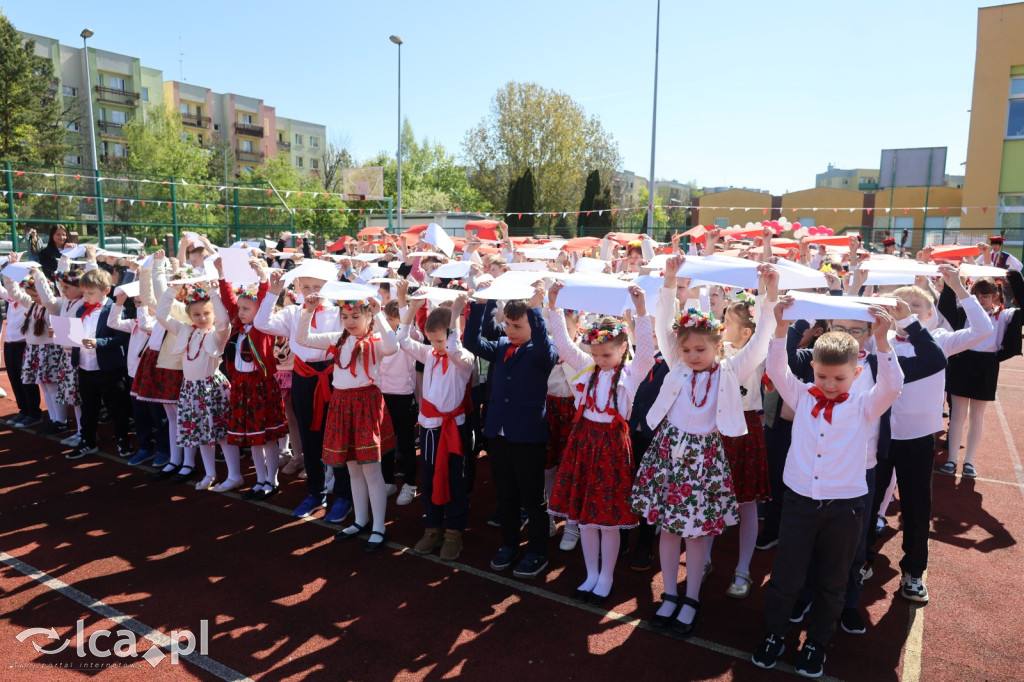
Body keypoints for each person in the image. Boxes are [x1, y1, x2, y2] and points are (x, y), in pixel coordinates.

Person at [752, 302, 903, 678]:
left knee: (834, 581)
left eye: (839, 378)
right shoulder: (801, 394)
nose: (830, 386)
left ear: (856, 372)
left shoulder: (865, 405)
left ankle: (817, 642)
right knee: (786, 576)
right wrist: (780, 327)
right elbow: (775, 368)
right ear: (813, 371)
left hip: (845, 507)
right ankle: (774, 634)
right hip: (800, 502)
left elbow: (893, 384)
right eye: (822, 377)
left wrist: (884, 342)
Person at [631, 256, 779, 638]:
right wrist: (668, 280)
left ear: (716, 345)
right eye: (687, 350)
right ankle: (668, 594)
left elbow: (761, 340)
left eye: (701, 349)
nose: (693, 356)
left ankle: (691, 596)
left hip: (704, 461)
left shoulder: (730, 370)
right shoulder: (677, 364)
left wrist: (769, 297)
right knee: (667, 529)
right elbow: (664, 325)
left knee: (696, 534)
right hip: (669, 454)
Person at [871, 270, 993, 605]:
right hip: (878, 436)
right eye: (901, 305)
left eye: (914, 307)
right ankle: (863, 559)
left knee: (916, 506)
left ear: (928, 314)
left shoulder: (938, 340)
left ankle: (913, 571)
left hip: (919, 439)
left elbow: (985, 330)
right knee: (869, 502)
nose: (906, 311)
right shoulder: (878, 340)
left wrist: (957, 287)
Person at [547, 282, 653, 604]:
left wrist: (642, 312)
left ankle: (606, 576)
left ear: (622, 349)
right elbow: (564, 347)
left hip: (611, 448)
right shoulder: (588, 368)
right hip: (585, 443)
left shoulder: (630, 373)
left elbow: (647, 353)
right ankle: (591, 573)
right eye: (595, 354)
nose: (599, 359)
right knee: (585, 516)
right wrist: (552, 306)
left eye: (606, 354)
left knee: (607, 520)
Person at [464, 284, 559, 579]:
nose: (510, 330)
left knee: (533, 500)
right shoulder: (503, 346)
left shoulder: (544, 351)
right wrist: (481, 304)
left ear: (532, 323)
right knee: (505, 496)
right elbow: (471, 341)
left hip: (528, 438)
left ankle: (537, 552)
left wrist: (536, 309)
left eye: (517, 325)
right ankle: (509, 545)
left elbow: (544, 346)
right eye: (507, 324)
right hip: (499, 435)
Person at [295, 293, 398, 552]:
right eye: (345, 317)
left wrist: (380, 315)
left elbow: (393, 346)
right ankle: (361, 520)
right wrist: (308, 311)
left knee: (371, 470)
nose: (350, 321)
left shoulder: (375, 340)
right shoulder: (338, 339)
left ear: (367, 316)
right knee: (352, 467)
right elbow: (302, 339)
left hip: (365, 404)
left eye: (355, 316)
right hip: (341, 403)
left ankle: (379, 527)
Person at [256, 268, 354, 522]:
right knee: (310, 437)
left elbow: (342, 339)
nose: (312, 293)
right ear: (298, 286)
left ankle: (343, 496)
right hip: (303, 377)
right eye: (307, 287)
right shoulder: (292, 312)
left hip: (334, 377)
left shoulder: (338, 312)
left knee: (338, 436)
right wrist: (273, 292)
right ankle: (316, 492)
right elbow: (261, 324)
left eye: (318, 287)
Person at [401, 296, 475, 561]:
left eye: (441, 341)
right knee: (430, 480)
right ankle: (432, 527)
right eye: (432, 341)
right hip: (430, 429)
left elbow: (455, 350)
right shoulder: (430, 354)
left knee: (456, 481)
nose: (436, 347)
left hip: (453, 429)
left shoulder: (463, 357)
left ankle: (454, 531)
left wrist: (455, 314)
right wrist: (408, 308)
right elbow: (403, 341)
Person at [939, 271, 1024, 478]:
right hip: (962, 362)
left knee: (977, 416)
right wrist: (953, 280)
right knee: (957, 415)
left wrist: (1014, 278)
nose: (981, 300)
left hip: (986, 366)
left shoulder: (1004, 315)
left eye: (986, 296)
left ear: (995, 296)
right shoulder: (964, 311)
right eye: (977, 296)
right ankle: (952, 460)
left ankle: (969, 461)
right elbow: (945, 306)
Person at [217, 258, 288, 499]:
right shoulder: (238, 325)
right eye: (241, 309)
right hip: (242, 387)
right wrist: (220, 274)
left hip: (261, 385)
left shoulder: (261, 327)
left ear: (259, 311)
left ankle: (272, 480)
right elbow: (229, 301)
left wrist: (262, 277)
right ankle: (259, 479)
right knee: (253, 438)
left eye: (246, 309)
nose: (241, 312)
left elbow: (265, 295)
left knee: (267, 436)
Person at [714, 295, 770, 600]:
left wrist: (763, 293)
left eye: (728, 321)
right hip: (718, 429)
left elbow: (765, 328)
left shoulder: (755, 353)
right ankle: (706, 558)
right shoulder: (715, 351)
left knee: (747, 503)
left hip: (746, 430)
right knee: (711, 495)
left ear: (746, 332)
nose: (722, 325)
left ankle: (743, 568)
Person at [155, 281, 234, 491]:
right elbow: (161, 316)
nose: (202, 318)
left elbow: (224, 320)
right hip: (191, 389)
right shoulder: (184, 330)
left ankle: (234, 474)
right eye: (197, 314)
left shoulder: (218, 332)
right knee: (201, 434)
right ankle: (210, 473)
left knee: (223, 434)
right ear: (190, 316)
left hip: (212, 388)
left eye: (207, 313)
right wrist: (171, 290)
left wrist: (213, 294)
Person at [69, 268, 132, 460]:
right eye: (84, 293)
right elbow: (75, 335)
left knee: (117, 406)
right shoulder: (81, 309)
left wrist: (100, 343)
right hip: (85, 366)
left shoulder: (114, 309)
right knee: (89, 406)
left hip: (109, 367)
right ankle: (87, 441)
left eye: (90, 293)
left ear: (105, 290)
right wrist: (64, 335)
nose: (86, 297)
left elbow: (122, 337)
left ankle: (123, 439)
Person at [107, 283, 169, 467]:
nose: (138, 305)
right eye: (136, 302)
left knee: (159, 417)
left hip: (153, 378)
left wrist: (142, 305)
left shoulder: (160, 324)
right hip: (135, 376)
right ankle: (145, 447)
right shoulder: (136, 322)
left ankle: (165, 450)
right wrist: (119, 302)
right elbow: (113, 323)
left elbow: (145, 325)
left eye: (142, 302)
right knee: (140, 415)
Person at [2, 260, 66, 431]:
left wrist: (38, 274)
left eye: (36, 295)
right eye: (31, 295)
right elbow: (14, 292)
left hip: (49, 350)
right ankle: (53, 420)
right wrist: (9, 271)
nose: (34, 298)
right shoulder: (32, 304)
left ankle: (60, 421)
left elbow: (46, 297)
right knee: (44, 386)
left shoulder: (54, 305)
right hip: (34, 349)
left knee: (52, 386)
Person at [544, 307, 582, 551]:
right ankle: (547, 514)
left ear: (578, 328)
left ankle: (572, 521)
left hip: (576, 414)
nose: (559, 337)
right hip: (549, 409)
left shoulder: (586, 351)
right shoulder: (545, 349)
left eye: (566, 330)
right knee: (548, 465)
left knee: (574, 467)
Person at [380, 292, 419, 505]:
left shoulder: (411, 335)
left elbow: (411, 329)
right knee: (385, 441)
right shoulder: (381, 334)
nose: (387, 321)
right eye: (386, 317)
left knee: (405, 443)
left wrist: (405, 305)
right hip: (382, 395)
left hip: (403, 396)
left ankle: (410, 484)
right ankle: (387, 481)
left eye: (391, 318)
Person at [0, 261, 43, 428]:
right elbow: (5, 289)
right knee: (14, 379)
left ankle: (34, 412)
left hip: (23, 344)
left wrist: (13, 268)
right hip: (10, 344)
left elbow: (12, 288)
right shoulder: (11, 298)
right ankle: (23, 410)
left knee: (27, 380)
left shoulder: (28, 301)